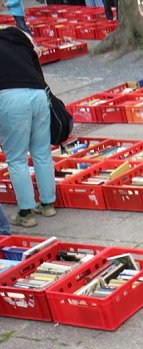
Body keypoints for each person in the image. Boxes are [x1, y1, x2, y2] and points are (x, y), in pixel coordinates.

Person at [0, 26, 58, 229]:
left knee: (16, 159)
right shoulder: (19, 39)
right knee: (42, 153)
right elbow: (36, 67)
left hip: (10, 97)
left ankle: (25, 212)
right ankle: (48, 203)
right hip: (38, 94)